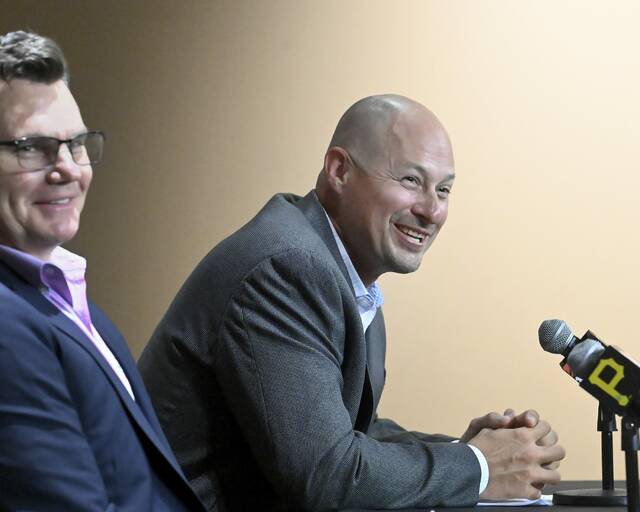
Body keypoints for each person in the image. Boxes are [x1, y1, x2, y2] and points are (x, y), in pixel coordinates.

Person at [138, 94, 565, 511]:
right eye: (411, 180)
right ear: (340, 170)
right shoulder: (286, 268)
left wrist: (473, 452)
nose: (432, 211)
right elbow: (326, 475)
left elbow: (352, 434)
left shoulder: (340, 268)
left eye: (445, 189)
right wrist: (478, 467)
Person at [0, 31, 209, 512]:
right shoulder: (8, 326)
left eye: (75, 143)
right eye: (32, 147)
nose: (68, 168)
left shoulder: (62, 292)